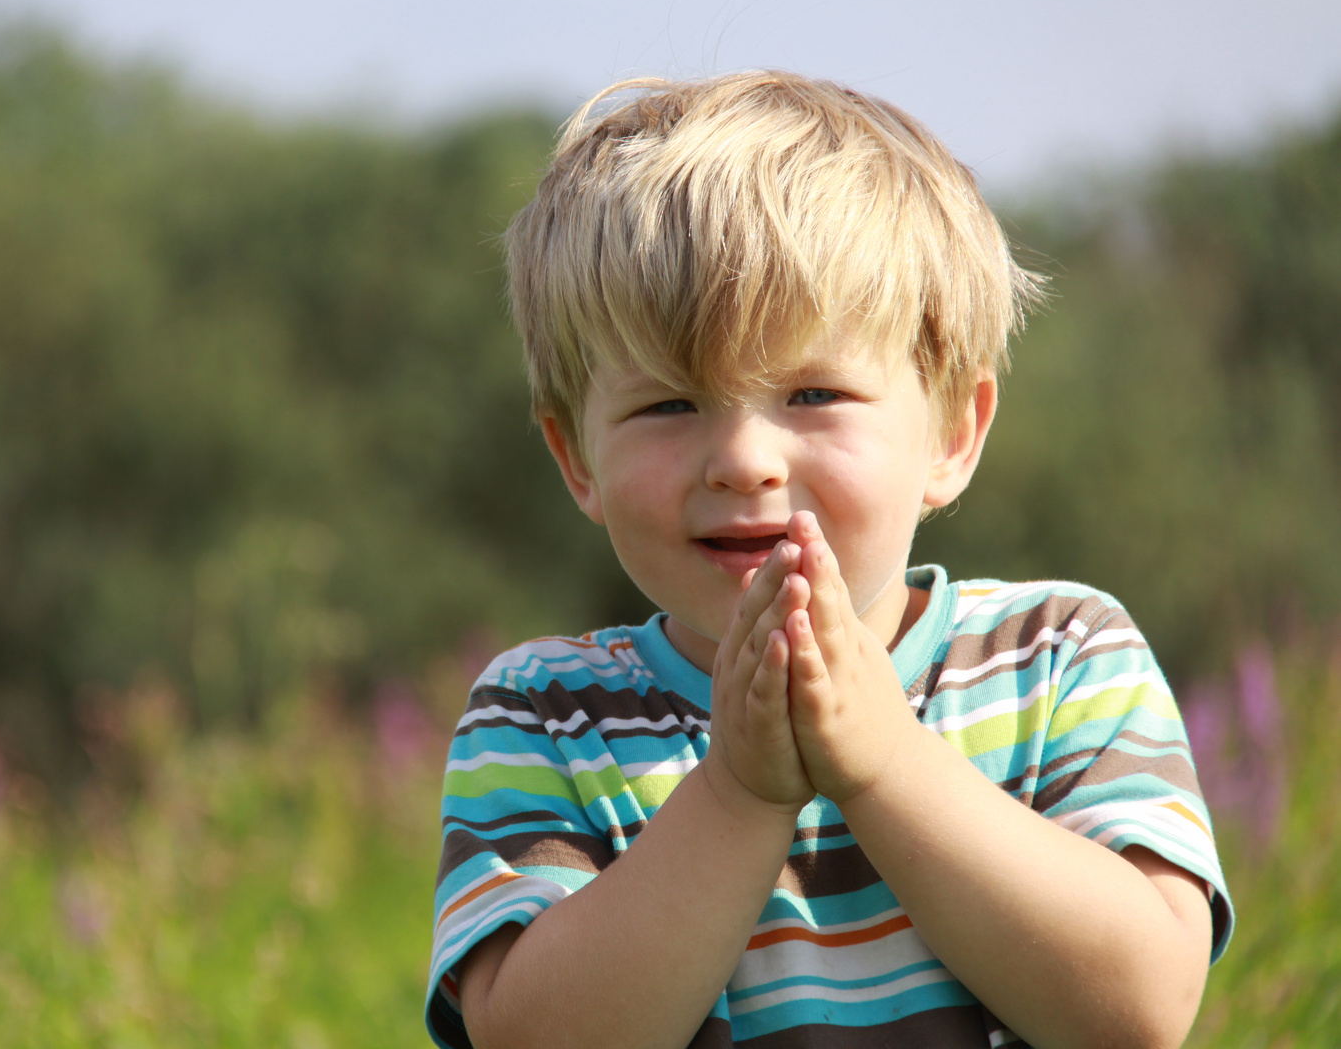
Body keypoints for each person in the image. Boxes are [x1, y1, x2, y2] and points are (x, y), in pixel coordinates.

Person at [426, 71, 1231, 1049]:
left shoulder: (1056, 658)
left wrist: (885, 763)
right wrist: (736, 794)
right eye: (669, 405)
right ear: (575, 458)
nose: (744, 462)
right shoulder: (544, 714)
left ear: (951, 433)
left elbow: (1138, 1008)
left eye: (812, 396)